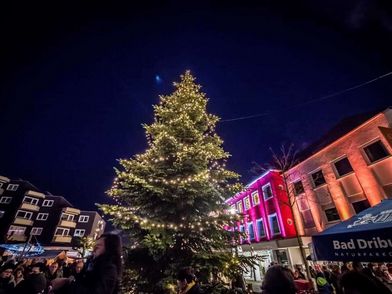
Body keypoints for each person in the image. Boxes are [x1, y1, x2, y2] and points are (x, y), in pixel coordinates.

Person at [51, 233, 122, 294]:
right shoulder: (92, 264)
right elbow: (83, 283)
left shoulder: (109, 269)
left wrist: (68, 283)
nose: (94, 249)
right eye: (94, 246)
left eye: (98, 247)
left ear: (109, 249)